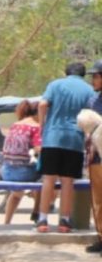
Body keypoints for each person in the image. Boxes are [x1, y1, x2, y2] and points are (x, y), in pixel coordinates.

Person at [37, 62, 94, 233]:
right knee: (68, 181)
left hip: (52, 137)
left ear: (66, 72)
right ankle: (65, 220)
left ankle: (42, 219)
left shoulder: (55, 85)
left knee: (48, 179)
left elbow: (42, 105)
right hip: (75, 139)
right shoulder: (88, 90)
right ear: (83, 74)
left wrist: (42, 126)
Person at [0, 99, 42, 225]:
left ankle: (7, 222)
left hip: (6, 171)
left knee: (17, 193)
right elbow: (39, 149)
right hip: (23, 173)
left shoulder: (15, 124)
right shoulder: (35, 127)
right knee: (47, 179)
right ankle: (36, 213)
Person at [84, 60, 102, 254]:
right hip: (95, 157)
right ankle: (101, 236)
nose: (93, 80)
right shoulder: (93, 101)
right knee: (98, 200)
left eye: (96, 76)